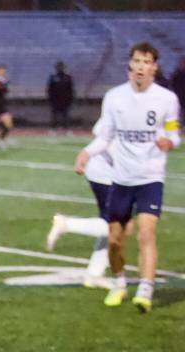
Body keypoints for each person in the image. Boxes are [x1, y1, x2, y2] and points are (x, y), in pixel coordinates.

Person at [75, 42, 179, 313]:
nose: (141, 67)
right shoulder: (114, 97)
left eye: (147, 62)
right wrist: (85, 153)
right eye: (137, 61)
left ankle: (145, 290)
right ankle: (119, 283)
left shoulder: (167, 99)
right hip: (120, 180)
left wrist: (170, 143)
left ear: (154, 67)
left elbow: (174, 133)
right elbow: (105, 136)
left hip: (151, 178)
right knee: (114, 240)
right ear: (130, 65)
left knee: (146, 233)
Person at [47, 120, 128, 289]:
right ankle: (66, 224)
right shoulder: (121, 103)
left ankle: (94, 274)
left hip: (106, 171)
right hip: (106, 173)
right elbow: (103, 134)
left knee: (115, 224)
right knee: (115, 226)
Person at [46, 62, 74, 135]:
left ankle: (67, 129)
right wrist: (50, 99)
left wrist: (70, 99)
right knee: (54, 116)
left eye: (61, 67)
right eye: (59, 67)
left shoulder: (68, 77)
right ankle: (53, 129)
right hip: (55, 100)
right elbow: (50, 89)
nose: (60, 68)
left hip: (65, 100)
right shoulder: (53, 77)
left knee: (66, 116)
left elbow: (70, 89)